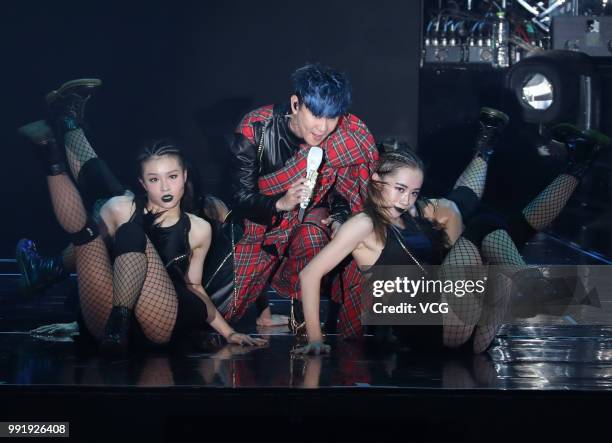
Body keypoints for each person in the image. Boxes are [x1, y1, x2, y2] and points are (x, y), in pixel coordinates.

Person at [18, 78, 266, 354]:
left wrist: (230, 331)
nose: (165, 187)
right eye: (154, 179)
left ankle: (49, 268)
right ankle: (51, 149)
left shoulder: (201, 220)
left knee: (120, 217)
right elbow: (92, 254)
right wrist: (80, 317)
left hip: (159, 316)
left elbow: (196, 285)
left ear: (185, 176)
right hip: (110, 320)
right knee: (105, 221)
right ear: (142, 182)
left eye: (172, 177)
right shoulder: (123, 206)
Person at [293, 144, 596, 355]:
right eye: (399, 189)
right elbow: (310, 275)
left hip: (468, 334)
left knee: (507, 227)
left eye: (413, 192)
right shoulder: (363, 224)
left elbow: (455, 205)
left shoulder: (413, 213)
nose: (405, 199)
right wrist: (316, 339)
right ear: (377, 182)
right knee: (485, 224)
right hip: (427, 330)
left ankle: (577, 165)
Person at [227, 63, 378, 328]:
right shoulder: (256, 128)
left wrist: (340, 217)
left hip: (311, 223)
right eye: (316, 115)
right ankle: (263, 306)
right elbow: (240, 198)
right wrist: (280, 203)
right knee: (225, 312)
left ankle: (304, 318)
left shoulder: (346, 136)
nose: (323, 127)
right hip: (262, 226)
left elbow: (345, 192)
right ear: (296, 105)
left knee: (314, 232)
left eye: (332, 117)